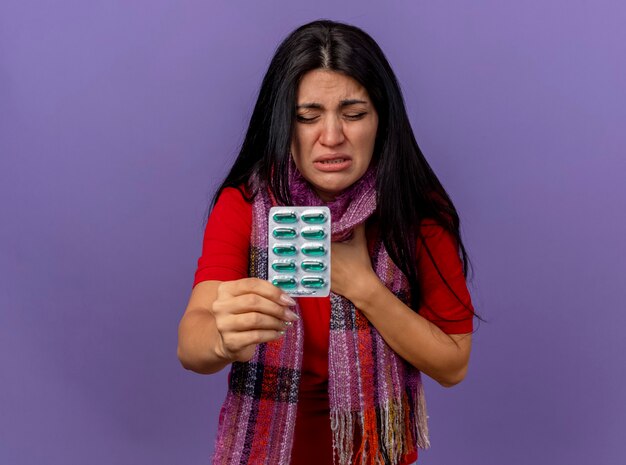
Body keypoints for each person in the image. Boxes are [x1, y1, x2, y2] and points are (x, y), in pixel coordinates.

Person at [177, 19, 477, 465]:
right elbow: (191, 343)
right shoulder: (244, 203)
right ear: (283, 122)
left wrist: (364, 287)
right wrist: (222, 338)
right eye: (307, 116)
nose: (332, 136)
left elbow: (453, 364)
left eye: (354, 114)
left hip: (376, 454)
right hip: (267, 452)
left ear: (381, 120)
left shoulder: (417, 213)